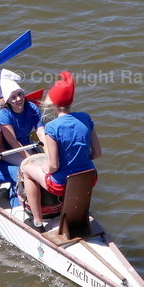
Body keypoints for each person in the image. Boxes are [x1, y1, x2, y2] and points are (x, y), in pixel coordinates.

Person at [20, 71, 101, 231]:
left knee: (27, 170)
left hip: (61, 185)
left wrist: (46, 169)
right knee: (76, 174)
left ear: (54, 102)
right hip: (90, 177)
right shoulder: (85, 118)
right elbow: (97, 153)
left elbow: (54, 165)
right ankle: (78, 217)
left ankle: (37, 223)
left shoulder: (52, 128)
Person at [0, 75, 47, 214]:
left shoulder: (32, 108)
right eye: (13, 97)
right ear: (7, 100)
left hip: (27, 144)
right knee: (30, 168)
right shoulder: (4, 114)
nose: (18, 99)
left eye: (19, 94)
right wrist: (29, 159)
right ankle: (21, 199)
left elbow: (42, 133)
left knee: (47, 162)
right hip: (8, 149)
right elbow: (12, 142)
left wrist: (49, 153)